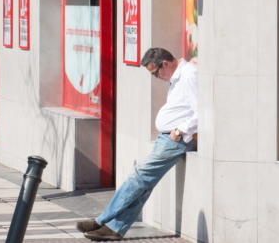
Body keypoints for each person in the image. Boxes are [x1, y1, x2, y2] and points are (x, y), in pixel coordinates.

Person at [76, 48, 197, 242]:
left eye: (155, 73)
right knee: (143, 185)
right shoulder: (177, 77)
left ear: (165, 63)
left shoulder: (189, 75)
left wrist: (179, 131)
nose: (156, 77)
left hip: (178, 139)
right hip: (168, 137)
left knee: (138, 176)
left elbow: (201, 111)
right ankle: (115, 228)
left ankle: (100, 221)